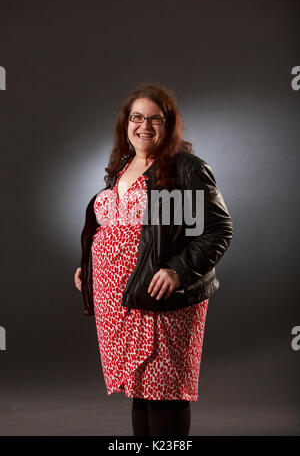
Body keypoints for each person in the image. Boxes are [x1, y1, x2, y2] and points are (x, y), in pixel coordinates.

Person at [74, 83, 234, 436]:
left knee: (165, 391)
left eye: (154, 119)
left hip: (162, 297)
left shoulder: (182, 170)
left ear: (169, 124)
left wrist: (177, 271)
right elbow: (115, 224)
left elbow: (216, 231)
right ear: (125, 123)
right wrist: (89, 265)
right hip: (121, 301)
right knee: (141, 390)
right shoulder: (123, 168)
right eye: (136, 117)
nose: (144, 126)